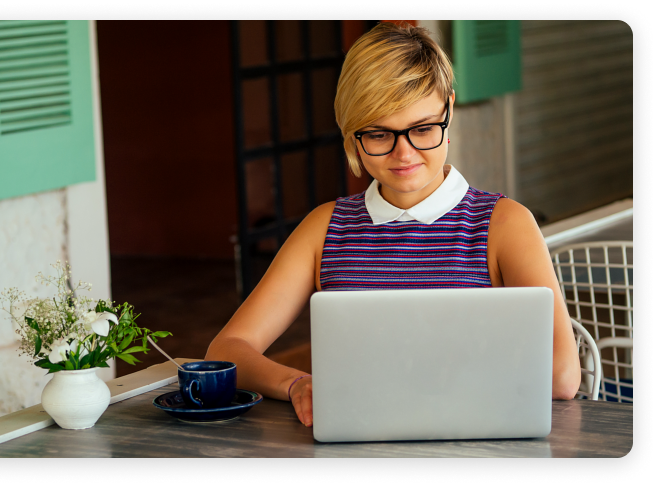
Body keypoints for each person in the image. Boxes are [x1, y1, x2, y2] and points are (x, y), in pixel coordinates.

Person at [205, 22, 581, 427]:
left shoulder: (504, 225)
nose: (404, 154)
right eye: (380, 134)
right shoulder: (324, 229)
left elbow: (562, 377)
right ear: (352, 135)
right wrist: (296, 383)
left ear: (448, 112)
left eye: (422, 129)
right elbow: (227, 350)